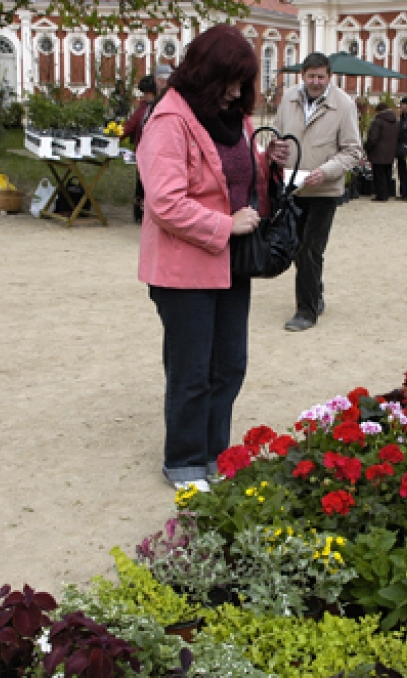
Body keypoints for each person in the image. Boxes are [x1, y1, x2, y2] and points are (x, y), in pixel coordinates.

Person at [137, 24, 269, 491]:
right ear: (206, 73)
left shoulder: (236, 119)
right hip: (183, 269)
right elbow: (165, 203)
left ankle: (215, 453)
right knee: (192, 371)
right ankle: (185, 461)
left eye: (242, 82)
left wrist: (271, 165)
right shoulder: (169, 120)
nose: (236, 91)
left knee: (229, 365)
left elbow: (240, 177)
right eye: (230, 80)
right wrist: (224, 225)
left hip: (232, 264)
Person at [268, 52, 362, 332]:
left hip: (324, 190)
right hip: (292, 187)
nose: (316, 81)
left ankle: (306, 312)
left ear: (329, 76)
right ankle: (315, 294)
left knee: (311, 249)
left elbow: (353, 151)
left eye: (321, 77)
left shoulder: (343, 104)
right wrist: (275, 148)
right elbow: (276, 132)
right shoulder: (289, 98)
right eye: (311, 76)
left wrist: (326, 171)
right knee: (297, 248)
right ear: (303, 75)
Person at [123, 75, 158, 224]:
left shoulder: (162, 106)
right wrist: (115, 134)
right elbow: (131, 124)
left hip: (157, 151)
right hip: (143, 151)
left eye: (148, 93)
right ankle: (139, 213)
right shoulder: (143, 107)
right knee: (141, 183)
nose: (145, 96)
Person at [363, 102, 399, 202]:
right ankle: (387, 193)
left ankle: (381, 195)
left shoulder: (378, 122)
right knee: (388, 173)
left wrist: (367, 147)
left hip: (378, 153)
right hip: (390, 152)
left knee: (379, 174)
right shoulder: (395, 122)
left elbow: (373, 138)